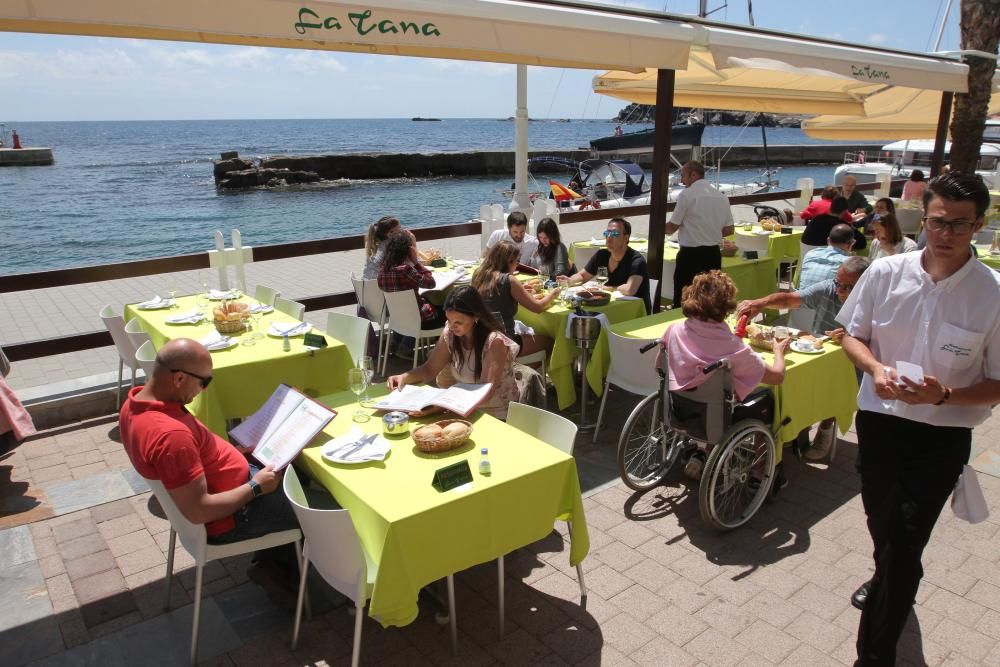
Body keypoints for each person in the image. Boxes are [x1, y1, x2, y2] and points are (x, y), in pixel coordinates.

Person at [837, 172, 1000, 666]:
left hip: (942, 435)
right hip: (881, 422)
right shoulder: (887, 273)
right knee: (883, 526)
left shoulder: (993, 293)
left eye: (959, 225)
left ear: (979, 225)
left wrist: (945, 393)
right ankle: (890, 573)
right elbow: (850, 334)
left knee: (905, 539)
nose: (945, 234)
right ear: (922, 217)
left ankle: (875, 653)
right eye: (937, 222)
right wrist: (875, 368)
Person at [119, 339, 298, 593]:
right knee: (317, 507)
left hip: (237, 492)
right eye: (204, 382)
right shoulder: (171, 437)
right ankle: (290, 580)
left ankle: (275, 565)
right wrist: (255, 488)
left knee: (296, 470)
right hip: (234, 516)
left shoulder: (134, 403)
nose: (203, 390)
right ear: (179, 379)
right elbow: (199, 511)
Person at [658, 271, 791, 483]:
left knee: (716, 392)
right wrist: (778, 352)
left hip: (678, 406)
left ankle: (704, 450)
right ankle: (760, 468)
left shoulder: (673, 330)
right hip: (715, 415)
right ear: (726, 306)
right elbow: (777, 377)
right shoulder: (734, 349)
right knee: (766, 398)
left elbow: (660, 366)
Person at [737, 256, 871, 460]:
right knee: (797, 379)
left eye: (846, 287)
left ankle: (826, 427)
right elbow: (791, 299)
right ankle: (796, 425)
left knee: (832, 387)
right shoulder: (829, 288)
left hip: (855, 365)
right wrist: (760, 303)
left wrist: (849, 339)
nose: (838, 290)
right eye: (837, 283)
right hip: (819, 355)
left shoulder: (875, 301)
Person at [386, 286, 521, 421]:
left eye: (458, 322)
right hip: (462, 408)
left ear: (476, 317)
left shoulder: (494, 342)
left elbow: (485, 392)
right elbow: (429, 369)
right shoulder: (451, 334)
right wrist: (404, 377)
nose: (451, 326)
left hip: (495, 415)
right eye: (449, 320)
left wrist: (442, 406)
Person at [664, 161, 735, 307]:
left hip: (690, 256)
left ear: (694, 175)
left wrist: (658, 228)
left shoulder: (687, 195)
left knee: (684, 299)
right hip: (713, 254)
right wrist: (711, 231)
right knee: (710, 300)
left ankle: (683, 329)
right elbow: (729, 230)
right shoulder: (721, 197)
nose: (682, 181)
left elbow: (672, 227)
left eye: (683, 176)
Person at [472, 241, 559, 358]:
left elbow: (495, 296)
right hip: (505, 341)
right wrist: (553, 294)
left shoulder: (478, 275)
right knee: (551, 343)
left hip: (481, 338)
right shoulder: (509, 280)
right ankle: (522, 373)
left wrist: (520, 290)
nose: (517, 265)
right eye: (517, 261)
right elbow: (537, 308)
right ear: (509, 262)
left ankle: (516, 371)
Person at [377, 231, 444, 358]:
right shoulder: (405, 270)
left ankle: (396, 345)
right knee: (446, 310)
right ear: (407, 251)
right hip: (416, 320)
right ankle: (437, 354)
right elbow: (431, 283)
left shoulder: (382, 270)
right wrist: (416, 262)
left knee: (408, 309)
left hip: (397, 318)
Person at [563, 217, 651, 313]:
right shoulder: (602, 255)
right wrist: (570, 280)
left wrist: (606, 288)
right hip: (608, 308)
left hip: (633, 312)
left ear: (626, 238)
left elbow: (630, 290)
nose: (609, 238)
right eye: (607, 233)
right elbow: (582, 276)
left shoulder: (636, 260)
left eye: (614, 234)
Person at [798, 223, 857, 290]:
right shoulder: (848, 263)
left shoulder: (811, 253)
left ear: (828, 240)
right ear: (850, 244)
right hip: (827, 299)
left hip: (800, 298)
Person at [802, 196, 867, 251]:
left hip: (805, 259)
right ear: (844, 212)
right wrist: (852, 227)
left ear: (830, 208)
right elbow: (862, 243)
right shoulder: (841, 226)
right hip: (827, 262)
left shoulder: (816, 219)